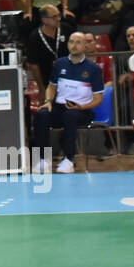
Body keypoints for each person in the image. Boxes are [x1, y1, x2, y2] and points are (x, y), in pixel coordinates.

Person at [31, 32, 104, 174]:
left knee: (70, 116)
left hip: (83, 110)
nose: (74, 45)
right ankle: (43, 159)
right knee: (42, 115)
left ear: (84, 45)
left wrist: (82, 106)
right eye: (71, 42)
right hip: (59, 107)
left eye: (78, 42)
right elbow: (51, 87)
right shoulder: (60, 64)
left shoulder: (93, 69)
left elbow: (98, 99)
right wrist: (47, 101)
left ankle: (69, 159)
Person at [23, 6, 67, 91]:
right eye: (54, 17)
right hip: (48, 81)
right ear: (44, 20)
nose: (58, 19)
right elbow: (34, 64)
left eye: (59, 15)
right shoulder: (35, 37)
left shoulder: (67, 29)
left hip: (69, 80)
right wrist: (41, 88)